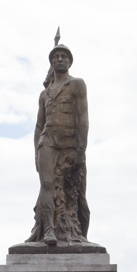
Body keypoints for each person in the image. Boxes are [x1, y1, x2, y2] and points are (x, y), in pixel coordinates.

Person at [26, 31, 90, 246]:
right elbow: (38, 125)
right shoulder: (44, 94)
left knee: (76, 192)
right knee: (46, 183)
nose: (59, 59)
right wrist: (37, 152)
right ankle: (49, 230)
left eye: (64, 56)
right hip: (48, 142)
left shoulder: (77, 84)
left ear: (70, 62)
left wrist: (81, 150)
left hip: (70, 143)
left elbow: (83, 119)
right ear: (51, 63)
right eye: (56, 57)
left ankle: (73, 230)